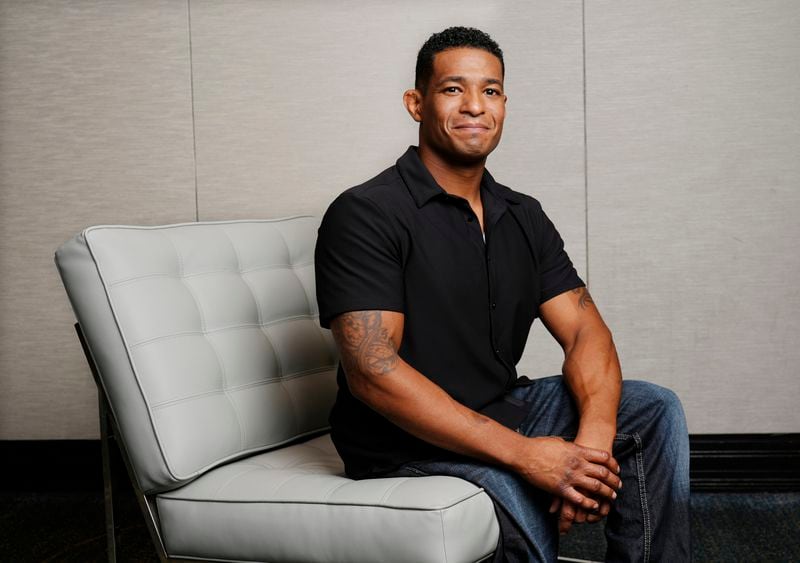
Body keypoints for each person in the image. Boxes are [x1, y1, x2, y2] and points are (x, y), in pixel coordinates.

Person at [314, 26, 690, 562]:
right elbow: (374, 372)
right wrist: (529, 457)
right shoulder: (367, 213)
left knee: (652, 409)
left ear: (504, 105)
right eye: (452, 89)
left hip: (502, 408)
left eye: (490, 91)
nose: (474, 106)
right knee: (515, 503)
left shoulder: (522, 214)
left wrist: (591, 446)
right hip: (402, 443)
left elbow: (585, 329)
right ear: (415, 103)